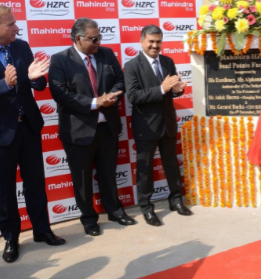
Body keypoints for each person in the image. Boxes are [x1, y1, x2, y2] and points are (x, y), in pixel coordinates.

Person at [48, 18, 136, 236]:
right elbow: (60, 94)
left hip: (107, 128)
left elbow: (120, 80)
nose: (98, 42)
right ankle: (88, 219)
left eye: (100, 37)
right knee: (82, 180)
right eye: (93, 38)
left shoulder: (106, 54)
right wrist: (97, 102)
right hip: (77, 131)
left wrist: (113, 95)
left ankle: (115, 210)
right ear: (78, 39)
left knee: (108, 173)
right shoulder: (60, 60)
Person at [0, 5, 65, 263]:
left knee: (36, 182)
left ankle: (42, 230)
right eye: (10, 24)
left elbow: (35, 83)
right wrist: (6, 84)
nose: (17, 27)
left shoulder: (21, 46)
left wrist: (37, 79)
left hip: (28, 127)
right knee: (5, 191)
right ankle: (10, 237)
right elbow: (9, 85)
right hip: (3, 133)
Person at [124, 24, 192, 226]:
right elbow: (134, 96)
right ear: (141, 41)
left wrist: (177, 91)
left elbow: (172, 91)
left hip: (168, 124)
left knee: (171, 164)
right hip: (146, 127)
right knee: (145, 170)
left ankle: (176, 201)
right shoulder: (131, 66)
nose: (155, 45)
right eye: (151, 41)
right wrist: (161, 89)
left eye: (158, 41)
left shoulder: (168, 62)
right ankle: (146, 208)